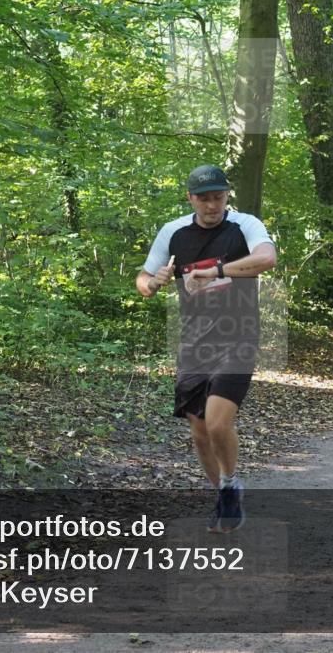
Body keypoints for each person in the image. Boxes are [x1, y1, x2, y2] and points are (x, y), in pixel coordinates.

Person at [137, 165, 277, 532]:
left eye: (218, 196)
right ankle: (224, 496)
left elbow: (266, 259)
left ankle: (230, 483)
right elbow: (143, 279)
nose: (212, 205)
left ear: (227, 195)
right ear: (190, 198)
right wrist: (154, 282)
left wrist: (216, 271)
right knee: (198, 430)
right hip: (195, 340)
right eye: (204, 198)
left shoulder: (245, 225)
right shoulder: (173, 231)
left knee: (217, 423)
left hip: (238, 335)